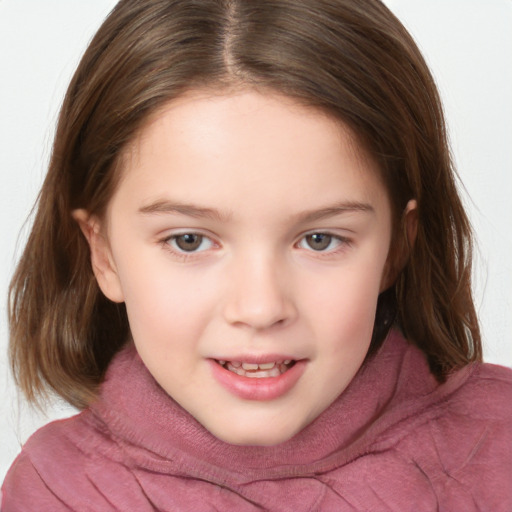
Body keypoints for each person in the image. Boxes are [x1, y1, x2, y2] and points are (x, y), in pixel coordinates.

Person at [2, 0, 511, 509]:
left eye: (320, 239)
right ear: (104, 255)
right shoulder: (54, 493)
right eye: (189, 240)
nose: (260, 308)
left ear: (397, 247)